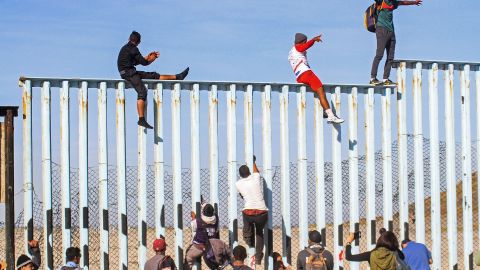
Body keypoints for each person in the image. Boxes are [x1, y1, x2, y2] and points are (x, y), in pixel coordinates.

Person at [117, 31, 189, 129]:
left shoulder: (126, 48)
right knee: (142, 92)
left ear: (129, 39)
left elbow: (138, 61)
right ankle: (141, 119)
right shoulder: (133, 49)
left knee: (153, 75)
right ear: (139, 42)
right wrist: (153, 58)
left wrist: (148, 57)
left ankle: (178, 77)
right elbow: (144, 63)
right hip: (128, 73)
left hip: (128, 71)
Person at [288, 33, 344, 124]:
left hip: (299, 76)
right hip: (306, 73)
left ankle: (325, 112)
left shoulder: (291, 51)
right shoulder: (298, 47)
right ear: (302, 42)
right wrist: (313, 40)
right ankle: (330, 116)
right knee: (321, 91)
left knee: (319, 91)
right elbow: (303, 47)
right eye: (305, 42)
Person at [369, 0, 422, 86]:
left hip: (391, 31)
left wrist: (414, 2)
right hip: (381, 29)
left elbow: (403, 2)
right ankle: (373, 78)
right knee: (379, 55)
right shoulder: (381, 1)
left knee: (390, 57)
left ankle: (385, 78)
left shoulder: (394, 3)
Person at [236, 155, 268, 265]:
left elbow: (241, 195)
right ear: (249, 172)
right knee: (260, 233)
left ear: (240, 175)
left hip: (248, 212)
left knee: (247, 228)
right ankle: (258, 258)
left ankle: (249, 241)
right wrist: (253, 161)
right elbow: (256, 171)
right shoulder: (256, 178)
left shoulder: (238, 183)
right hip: (262, 212)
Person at [185, 203, 219, 270]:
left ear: (203, 212)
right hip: (211, 247)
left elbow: (193, 228)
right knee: (213, 264)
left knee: (188, 257)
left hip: (198, 247)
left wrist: (193, 218)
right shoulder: (216, 219)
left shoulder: (197, 221)